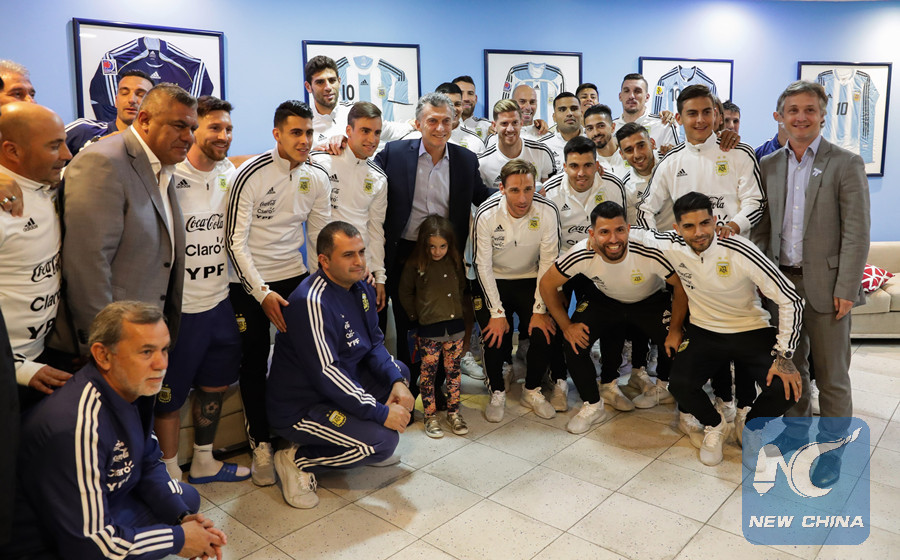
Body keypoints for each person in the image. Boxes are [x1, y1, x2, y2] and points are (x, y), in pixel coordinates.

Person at [3, 301, 228, 560]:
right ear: (103, 355)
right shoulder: (77, 426)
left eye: (164, 349)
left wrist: (183, 519)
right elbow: (88, 546)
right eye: (146, 351)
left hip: (103, 503)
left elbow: (149, 462)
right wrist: (178, 539)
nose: (161, 363)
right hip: (50, 542)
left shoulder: (135, 387)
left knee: (184, 500)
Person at [752, 80, 870, 486]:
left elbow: (857, 232)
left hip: (829, 288)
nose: (801, 117)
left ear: (822, 115)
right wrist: (763, 278)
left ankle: (833, 449)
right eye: (793, 110)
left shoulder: (846, 163)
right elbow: (762, 228)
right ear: (780, 117)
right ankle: (796, 431)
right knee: (791, 366)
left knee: (833, 376)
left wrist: (847, 288)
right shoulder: (769, 165)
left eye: (809, 110)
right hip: (782, 287)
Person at [636, 192, 804, 466]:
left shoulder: (740, 249)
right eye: (689, 226)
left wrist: (784, 356)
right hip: (704, 330)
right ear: (677, 228)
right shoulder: (670, 244)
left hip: (750, 328)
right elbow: (631, 234)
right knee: (679, 385)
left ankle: (751, 427)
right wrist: (593, 240)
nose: (699, 232)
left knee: (785, 388)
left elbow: (790, 298)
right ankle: (715, 425)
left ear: (715, 220)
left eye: (705, 223)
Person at [267, 221, 413, 509]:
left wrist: (396, 381)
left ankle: (357, 438)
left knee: (400, 372)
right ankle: (295, 459)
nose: (359, 262)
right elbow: (327, 373)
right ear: (324, 261)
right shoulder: (311, 301)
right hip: (303, 406)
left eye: (361, 252)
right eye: (348, 255)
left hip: (339, 388)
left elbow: (374, 343)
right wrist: (381, 413)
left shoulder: (361, 287)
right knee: (382, 443)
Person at [225, 99, 331, 486]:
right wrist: (262, 293)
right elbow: (234, 242)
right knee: (253, 362)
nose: (304, 140)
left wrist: (322, 286)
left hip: (293, 275)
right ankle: (261, 445)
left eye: (309, 133)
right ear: (277, 134)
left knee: (303, 359)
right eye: (296, 132)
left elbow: (319, 237)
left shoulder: (317, 176)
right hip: (247, 282)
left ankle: (296, 435)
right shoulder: (250, 174)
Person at [52, 83, 194, 358]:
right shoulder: (103, 161)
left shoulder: (163, 164)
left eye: (192, 128)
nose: (188, 137)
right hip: (112, 342)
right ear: (145, 120)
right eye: (179, 126)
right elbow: (87, 267)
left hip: (146, 334)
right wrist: (102, 347)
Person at [152, 96, 249, 484]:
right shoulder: (168, 174)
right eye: (215, 127)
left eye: (228, 128)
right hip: (180, 310)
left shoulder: (231, 173)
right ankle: (169, 472)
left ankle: (205, 461)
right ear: (194, 129)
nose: (223, 135)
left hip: (220, 302)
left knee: (214, 385)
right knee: (169, 397)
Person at [540, 201, 687, 433]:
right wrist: (567, 326)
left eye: (619, 230)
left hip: (649, 301)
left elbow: (679, 285)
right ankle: (593, 404)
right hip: (605, 300)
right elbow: (547, 284)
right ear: (592, 234)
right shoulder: (581, 252)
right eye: (604, 232)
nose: (613, 239)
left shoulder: (649, 247)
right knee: (574, 342)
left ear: (628, 229)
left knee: (681, 345)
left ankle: (675, 399)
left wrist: (676, 329)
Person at [375, 92, 492, 373]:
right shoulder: (393, 154)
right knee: (405, 316)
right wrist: (337, 147)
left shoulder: (465, 160)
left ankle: (438, 382)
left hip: (444, 252)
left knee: (440, 319)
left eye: (446, 121)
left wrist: (515, 192)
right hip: (403, 249)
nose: (440, 128)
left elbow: (481, 195)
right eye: (432, 121)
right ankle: (409, 377)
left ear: (454, 123)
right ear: (418, 123)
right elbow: (364, 171)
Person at [473, 159, 560, 422]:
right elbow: (482, 266)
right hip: (494, 278)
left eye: (528, 189)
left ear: (536, 187)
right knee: (493, 335)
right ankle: (497, 391)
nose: (523, 198)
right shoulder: (486, 213)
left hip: (531, 277)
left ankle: (531, 390)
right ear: (501, 188)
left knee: (543, 331)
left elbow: (548, 263)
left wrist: (540, 309)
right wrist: (497, 313)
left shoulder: (547, 211)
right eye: (514, 190)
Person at [0, 103, 73, 408]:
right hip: (11, 371)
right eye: (54, 146)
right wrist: (18, 369)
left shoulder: (47, 185)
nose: (67, 154)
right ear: (12, 151)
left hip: (44, 355)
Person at [637, 85, 764, 239]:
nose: (700, 120)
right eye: (692, 113)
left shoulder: (741, 152)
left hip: (732, 248)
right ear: (679, 119)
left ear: (715, 114)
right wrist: (657, 243)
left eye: (706, 112)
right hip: (687, 251)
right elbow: (645, 209)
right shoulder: (670, 161)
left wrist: (733, 227)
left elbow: (755, 202)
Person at [310, 101, 389, 309]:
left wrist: (379, 275)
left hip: (363, 273)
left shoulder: (379, 178)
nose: (372, 139)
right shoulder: (321, 161)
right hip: (324, 271)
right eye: (365, 131)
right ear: (348, 131)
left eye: (377, 132)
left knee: (368, 328)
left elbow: (375, 230)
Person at [398, 215, 468, 438]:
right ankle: (430, 416)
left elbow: (461, 287)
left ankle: (454, 413)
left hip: (455, 329)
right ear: (424, 244)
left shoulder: (455, 261)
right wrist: (417, 315)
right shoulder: (415, 264)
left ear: (449, 245)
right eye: (432, 247)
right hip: (429, 330)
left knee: (454, 374)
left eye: (442, 246)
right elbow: (405, 292)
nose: (437, 251)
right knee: (427, 376)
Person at [304, 55, 412, 145]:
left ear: (339, 82)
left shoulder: (356, 111)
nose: (328, 87)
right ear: (308, 87)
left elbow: (389, 130)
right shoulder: (303, 123)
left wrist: (411, 125)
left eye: (332, 80)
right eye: (320, 82)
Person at [64, 70, 154, 157]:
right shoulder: (83, 130)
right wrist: (97, 143)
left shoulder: (156, 145)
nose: (131, 100)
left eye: (141, 95)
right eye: (124, 93)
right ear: (116, 101)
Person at [478, 99, 557, 188]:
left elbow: (549, 192)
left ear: (521, 123)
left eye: (515, 123)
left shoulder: (542, 152)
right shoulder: (482, 162)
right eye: (504, 123)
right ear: (494, 126)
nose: (510, 129)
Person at [616, 122, 672, 227]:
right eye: (629, 150)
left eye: (641, 146)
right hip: (658, 236)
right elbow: (641, 230)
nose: (637, 155)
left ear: (652, 143)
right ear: (622, 155)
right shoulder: (626, 189)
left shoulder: (671, 161)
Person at [613, 73, 677, 155]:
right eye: (626, 91)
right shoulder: (610, 128)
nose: (631, 96)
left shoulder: (664, 125)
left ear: (647, 97)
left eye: (637, 91)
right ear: (620, 96)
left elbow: (675, 160)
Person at [540, 92, 585, 171]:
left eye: (574, 109)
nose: (569, 113)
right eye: (562, 110)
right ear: (554, 117)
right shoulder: (542, 147)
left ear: (581, 114)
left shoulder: (595, 141)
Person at [583, 104, 627, 177]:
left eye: (601, 126)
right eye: (590, 128)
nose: (596, 133)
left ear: (613, 127)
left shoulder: (630, 152)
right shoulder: (586, 162)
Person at [453, 75, 492, 140]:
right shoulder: (442, 128)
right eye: (461, 93)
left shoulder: (488, 127)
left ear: (475, 99)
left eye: (470, 93)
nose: (466, 98)